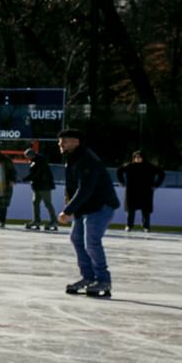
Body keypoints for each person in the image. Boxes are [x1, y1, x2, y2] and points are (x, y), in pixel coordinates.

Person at [58, 121, 120, 297]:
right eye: (60, 141)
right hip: (85, 207)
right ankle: (88, 277)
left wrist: (68, 210)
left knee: (91, 241)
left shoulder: (88, 159)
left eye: (65, 141)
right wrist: (72, 209)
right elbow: (73, 188)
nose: (61, 144)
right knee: (76, 239)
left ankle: (103, 280)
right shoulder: (71, 159)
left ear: (76, 142)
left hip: (101, 206)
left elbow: (85, 188)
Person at [122, 149, 161, 231]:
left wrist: (156, 185)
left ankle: (146, 226)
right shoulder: (130, 166)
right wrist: (122, 182)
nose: (137, 158)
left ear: (143, 158)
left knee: (146, 210)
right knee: (131, 209)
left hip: (145, 191)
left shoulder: (149, 167)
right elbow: (119, 171)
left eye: (139, 157)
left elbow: (161, 173)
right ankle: (129, 225)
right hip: (132, 191)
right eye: (136, 157)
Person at [23, 142, 59, 230]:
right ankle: (36, 220)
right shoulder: (37, 161)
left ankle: (54, 221)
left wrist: (25, 179)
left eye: (27, 157)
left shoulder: (39, 161)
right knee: (35, 202)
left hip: (44, 186)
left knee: (47, 203)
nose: (27, 159)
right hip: (38, 186)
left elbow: (36, 174)